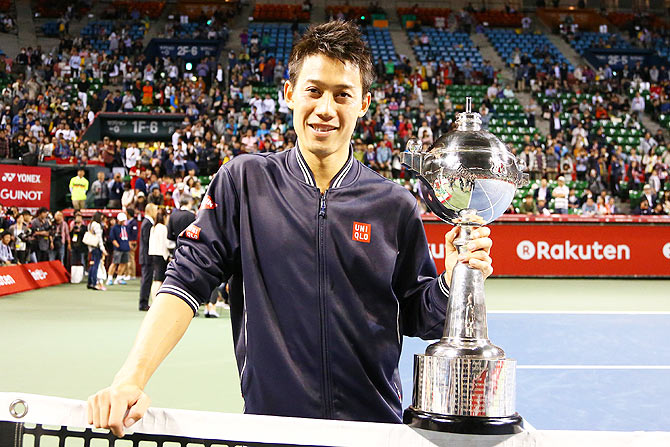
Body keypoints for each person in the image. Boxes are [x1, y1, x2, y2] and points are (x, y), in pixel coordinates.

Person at [88, 21, 494, 435]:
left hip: (374, 435)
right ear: (289, 93)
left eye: (342, 95)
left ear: (364, 104)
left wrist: (456, 279)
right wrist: (130, 379)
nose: (326, 109)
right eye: (314, 90)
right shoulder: (244, 182)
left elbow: (420, 318)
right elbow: (184, 284)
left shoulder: (394, 205)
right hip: (271, 433)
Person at [138, 203, 158, 311]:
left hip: (146, 256)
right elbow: (147, 241)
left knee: (147, 280)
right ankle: (143, 303)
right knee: (146, 280)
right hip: (146, 256)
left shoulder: (147, 223)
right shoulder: (147, 224)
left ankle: (144, 302)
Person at [148, 209, 169, 304]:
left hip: (153, 254)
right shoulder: (163, 228)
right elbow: (165, 243)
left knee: (156, 279)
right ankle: (156, 300)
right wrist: (167, 255)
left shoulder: (154, 227)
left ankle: (154, 299)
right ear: (164, 217)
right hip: (161, 255)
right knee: (159, 280)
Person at [107, 212, 130, 286]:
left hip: (125, 249)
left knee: (123, 264)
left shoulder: (126, 227)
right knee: (114, 263)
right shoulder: (114, 228)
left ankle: (119, 278)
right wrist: (118, 246)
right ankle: (109, 278)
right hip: (118, 250)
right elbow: (112, 239)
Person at [87, 212, 106, 291]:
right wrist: (103, 249)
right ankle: (94, 283)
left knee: (92, 264)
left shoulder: (90, 225)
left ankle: (90, 282)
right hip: (97, 247)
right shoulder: (97, 226)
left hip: (92, 246)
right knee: (96, 265)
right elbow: (99, 238)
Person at [125, 208, 139, 280]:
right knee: (128, 258)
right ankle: (127, 273)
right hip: (127, 242)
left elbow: (134, 234)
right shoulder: (127, 222)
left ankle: (132, 274)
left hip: (131, 242)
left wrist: (132, 242)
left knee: (131, 258)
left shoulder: (134, 222)